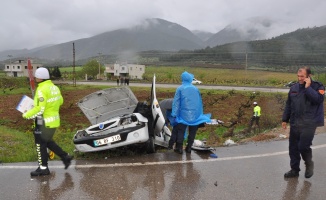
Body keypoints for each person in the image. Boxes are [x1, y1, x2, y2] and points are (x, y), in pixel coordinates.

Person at [22, 67, 73, 176]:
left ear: (39, 78)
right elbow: (61, 102)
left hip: (43, 122)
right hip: (53, 122)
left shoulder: (41, 89)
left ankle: (43, 168)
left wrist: (26, 115)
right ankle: (65, 157)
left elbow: (40, 109)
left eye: (36, 76)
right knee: (48, 142)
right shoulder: (54, 88)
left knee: (40, 145)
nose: (35, 78)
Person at [282, 66, 325, 178]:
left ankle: (309, 164)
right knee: (293, 148)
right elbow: (289, 105)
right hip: (295, 122)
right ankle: (294, 170)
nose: (300, 78)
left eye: (302, 76)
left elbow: (318, 100)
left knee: (303, 146)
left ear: (308, 76)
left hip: (310, 122)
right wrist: (284, 119)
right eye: (298, 76)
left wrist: (308, 88)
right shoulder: (294, 88)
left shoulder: (318, 86)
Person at [171, 71, 211, 154]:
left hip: (183, 115)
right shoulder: (195, 89)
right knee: (192, 132)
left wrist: (174, 114)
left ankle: (179, 148)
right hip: (195, 115)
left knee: (181, 131)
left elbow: (176, 103)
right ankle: (189, 148)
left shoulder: (180, 89)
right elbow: (199, 102)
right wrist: (200, 114)